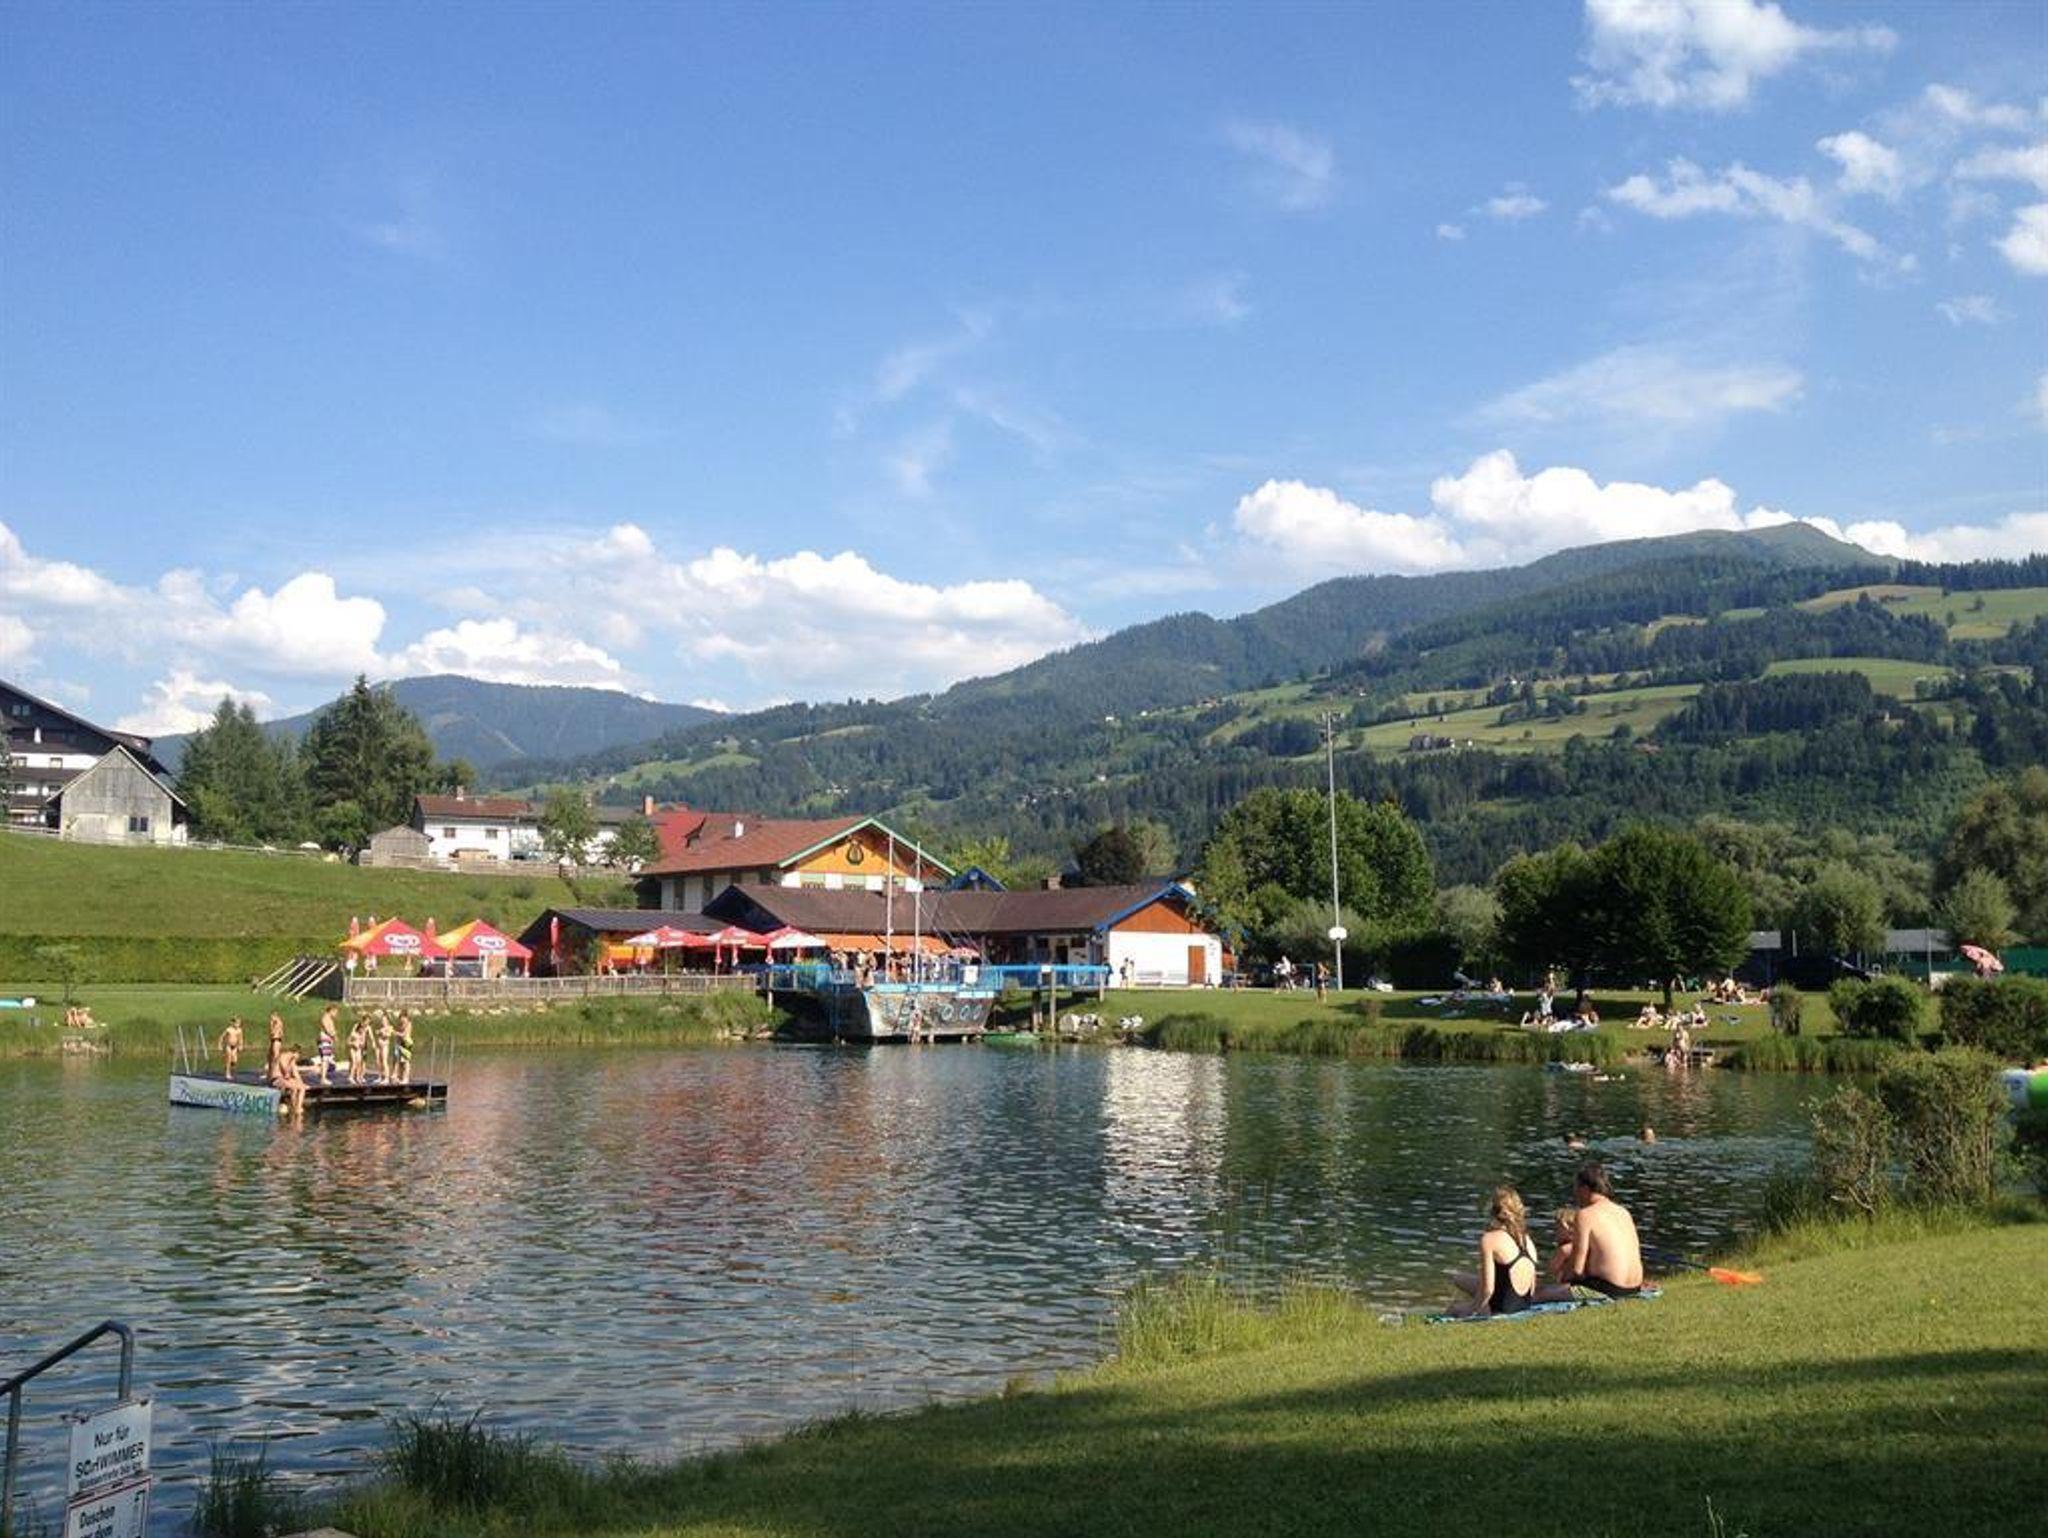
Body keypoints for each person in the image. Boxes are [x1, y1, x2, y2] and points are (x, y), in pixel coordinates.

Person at [1448, 1186, 1540, 1317]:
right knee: (1457, 1278)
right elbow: (1532, 1288)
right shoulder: (1527, 1240)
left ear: (1492, 1212)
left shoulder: (1489, 1239)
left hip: (1499, 1309)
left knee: (1454, 1308)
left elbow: (1487, 1290)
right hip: (1523, 1305)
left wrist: (1472, 1309)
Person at [1560, 1162, 1644, 1298]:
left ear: (1584, 1188)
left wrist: (1562, 1278)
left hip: (1608, 1289)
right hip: (1635, 1287)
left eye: (1576, 1189)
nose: (1575, 1195)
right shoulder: (1623, 1212)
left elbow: (1577, 1269)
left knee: (1539, 1294)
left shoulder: (1585, 1215)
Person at [270, 1042, 309, 1119]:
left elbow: (296, 1073)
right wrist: (287, 1074)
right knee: (293, 1088)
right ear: (295, 1053)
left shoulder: (292, 1060)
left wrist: (302, 1083)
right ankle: (295, 1107)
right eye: (298, 1055)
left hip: (285, 1079)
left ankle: (298, 1107)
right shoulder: (283, 1056)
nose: (298, 1058)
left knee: (302, 1088)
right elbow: (283, 1067)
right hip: (277, 1079)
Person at [217, 1016, 245, 1080]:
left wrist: (241, 1045)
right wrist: (219, 1045)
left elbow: (240, 1038)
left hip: (235, 1046)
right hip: (228, 1046)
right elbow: (222, 1037)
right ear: (233, 1023)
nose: (238, 1025)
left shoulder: (239, 1030)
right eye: (237, 1023)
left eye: (239, 1023)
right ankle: (227, 1073)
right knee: (229, 1059)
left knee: (234, 1060)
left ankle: (230, 1069)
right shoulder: (229, 1030)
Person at [346, 1014, 372, 1083]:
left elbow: (363, 1043)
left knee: (359, 1063)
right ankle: (351, 1077)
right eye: (361, 1029)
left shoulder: (363, 1034)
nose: (362, 1031)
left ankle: (358, 1077)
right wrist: (353, 1044)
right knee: (354, 1062)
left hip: (359, 1049)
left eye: (363, 1030)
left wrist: (361, 1044)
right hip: (352, 1049)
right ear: (359, 1028)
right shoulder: (354, 1034)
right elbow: (348, 1042)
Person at [313, 1010, 337, 1085]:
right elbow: (327, 1029)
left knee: (327, 1059)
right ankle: (323, 1079)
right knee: (325, 1059)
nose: (336, 1014)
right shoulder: (325, 1018)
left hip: (327, 1040)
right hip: (325, 1040)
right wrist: (334, 1035)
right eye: (335, 1012)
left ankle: (323, 1076)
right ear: (331, 1010)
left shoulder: (329, 1018)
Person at [392, 1012, 415, 1084]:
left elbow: (404, 1034)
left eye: (403, 1018)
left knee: (406, 1062)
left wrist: (396, 1033)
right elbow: (399, 1033)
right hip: (401, 1044)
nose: (401, 1020)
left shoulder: (408, 1024)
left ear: (406, 1018)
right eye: (400, 1018)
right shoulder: (401, 1024)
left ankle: (406, 1078)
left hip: (407, 1044)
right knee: (401, 1062)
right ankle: (401, 1077)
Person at [373, 1011, 394, 1080]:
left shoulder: (390, 1027)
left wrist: (382, 1033)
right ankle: (380, 1076)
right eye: (382, 1020)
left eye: (384, 1020)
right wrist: (378, 1032)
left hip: (384, 1046)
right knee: (378, 1061)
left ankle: (386, 1078)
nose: (383, 1022)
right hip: (378, 1045)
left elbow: (388, 1035)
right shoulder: (380, 1027)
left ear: (387, 1021)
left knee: (384, 1061)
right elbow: (376, 1033)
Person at [267, 1011, 287, 1080]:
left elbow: (273, 1032)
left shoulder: (277, 1022)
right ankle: (270, 1073)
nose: (271, 1018)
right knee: (270, 1057)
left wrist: (272, 1024)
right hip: (273, 1040)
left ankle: (276, 1072)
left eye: (272, 1017)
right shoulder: (276, 1022)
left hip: (276, 1040)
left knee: (276, 1056)